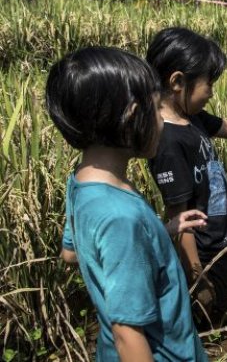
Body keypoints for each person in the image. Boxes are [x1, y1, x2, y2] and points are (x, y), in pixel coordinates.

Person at [48, 47, 208, 361]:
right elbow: (127, 336)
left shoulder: (81, 183)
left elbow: (71, 254)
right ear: (134, 115)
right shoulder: (123, 218)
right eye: (158, 109)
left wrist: (159, 232)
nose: (163, 121)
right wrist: (137, 234)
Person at [146, 27, 227, 327]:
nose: (211, 92)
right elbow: (179, 218)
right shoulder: (167, 142)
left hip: (224, 241)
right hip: (205, 255)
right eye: (209, 83)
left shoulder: (192, 118)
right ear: (178, 81)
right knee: (208, 322)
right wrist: (197, 275)